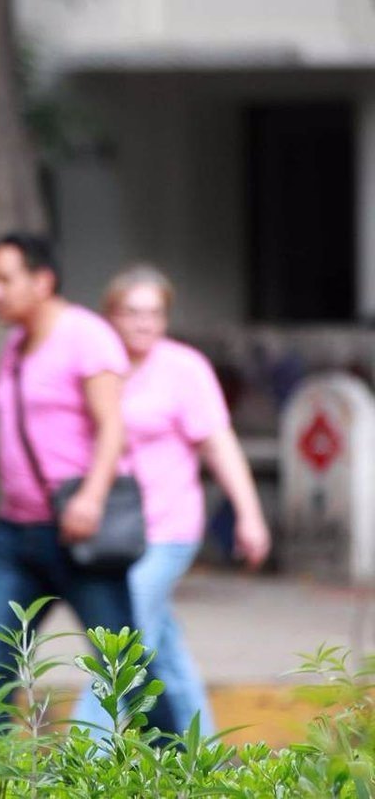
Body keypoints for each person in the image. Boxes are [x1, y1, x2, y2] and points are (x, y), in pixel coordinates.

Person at [0, 232, 177, 732]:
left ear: (42, 281)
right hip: (16, 535)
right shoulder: (16, 344)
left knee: (124, 668)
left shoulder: (86, 335)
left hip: (78, 530)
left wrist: (91, 498)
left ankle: (178, 773)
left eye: (4, 279)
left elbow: (113, 425)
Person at [70, 264, 271, 736]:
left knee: (117, 645)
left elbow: (219, 444)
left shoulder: (184, 368)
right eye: (133, 312)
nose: (144, 323)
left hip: (168, 529)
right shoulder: (99, 367)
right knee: (165, 650)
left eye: (155, 313)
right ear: (111, 315)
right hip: (114, 530)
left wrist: (250, 515)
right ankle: (200, 756)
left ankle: (81, 759)